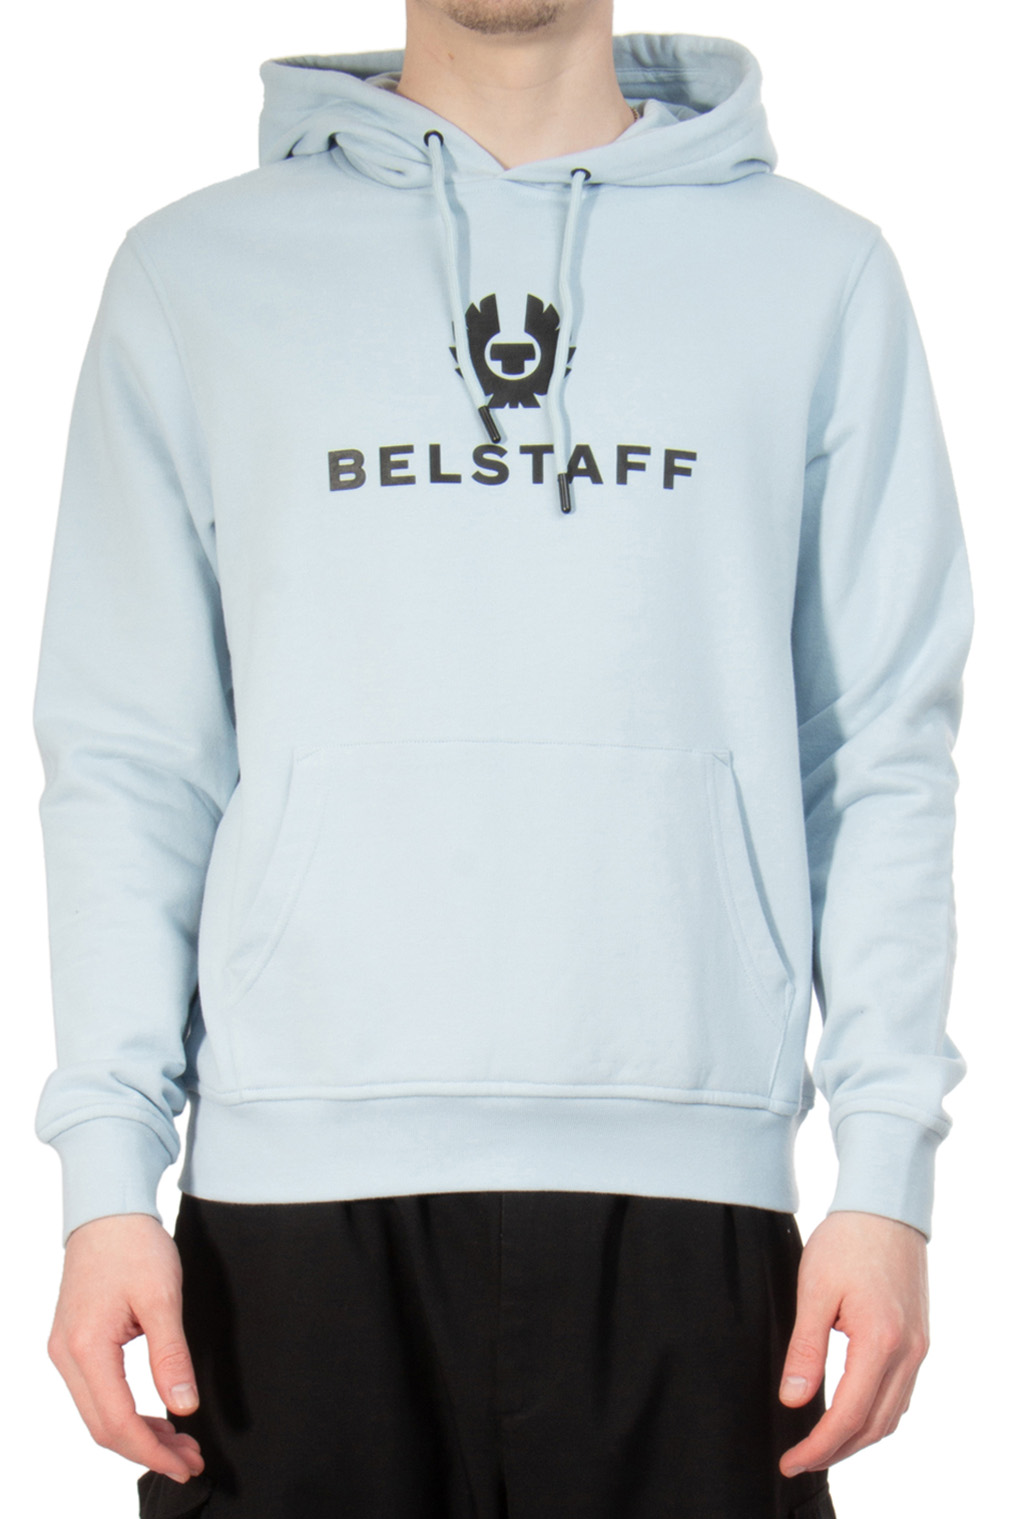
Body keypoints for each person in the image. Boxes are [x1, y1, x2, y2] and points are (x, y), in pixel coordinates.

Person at [32, 3, 974, 1516]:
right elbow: (133, 760)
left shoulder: (817, 276)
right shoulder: (195, 275)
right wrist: (103, 1178)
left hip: (694, 1197)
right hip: (288, 1207)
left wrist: (885, 1177)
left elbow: (876, 753)